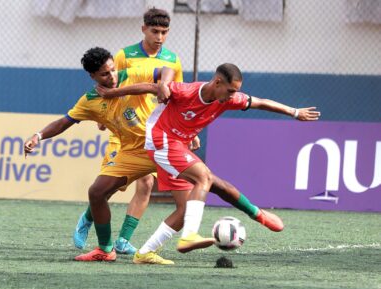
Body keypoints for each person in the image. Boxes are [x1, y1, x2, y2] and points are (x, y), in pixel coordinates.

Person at [134, 63, 320, 261]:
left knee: (197, 199)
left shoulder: (227, 99)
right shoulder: (188, 91)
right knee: (204, 177)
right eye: (231, 90)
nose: (234, 95)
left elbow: (261, 102)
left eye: (236, 91)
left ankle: (145, 253)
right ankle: (189, 235)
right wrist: (111, 93)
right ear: (217, 82)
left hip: (177, 144)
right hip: (161, 141)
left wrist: (294, 112)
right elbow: (151, 87)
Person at [24, 47, 178, 262]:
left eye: (113, 70)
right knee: (98, 192)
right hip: (130, 152)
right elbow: (63, 122)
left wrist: (162, 85)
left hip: (161, 145)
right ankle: (105, 249)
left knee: (202, 185)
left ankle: (239, 210)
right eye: (105, 74)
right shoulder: (89, 101)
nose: (112, 76)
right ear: (93, 76)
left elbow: (167, 70)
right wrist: (38, 136)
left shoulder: (132, 74)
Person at [73, 7, 185, 255]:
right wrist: (102, 120)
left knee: (145, 185)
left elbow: (176, 94)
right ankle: (88, 218)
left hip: (150, 129)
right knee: (108, 188)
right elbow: (108, 87)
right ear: (143, 28)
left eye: (164, 32)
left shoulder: (172, 60)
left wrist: (188, 129)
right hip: (121, 130)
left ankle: (123, 240)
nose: (159, 37)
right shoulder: (125, 55)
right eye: (155, 31)